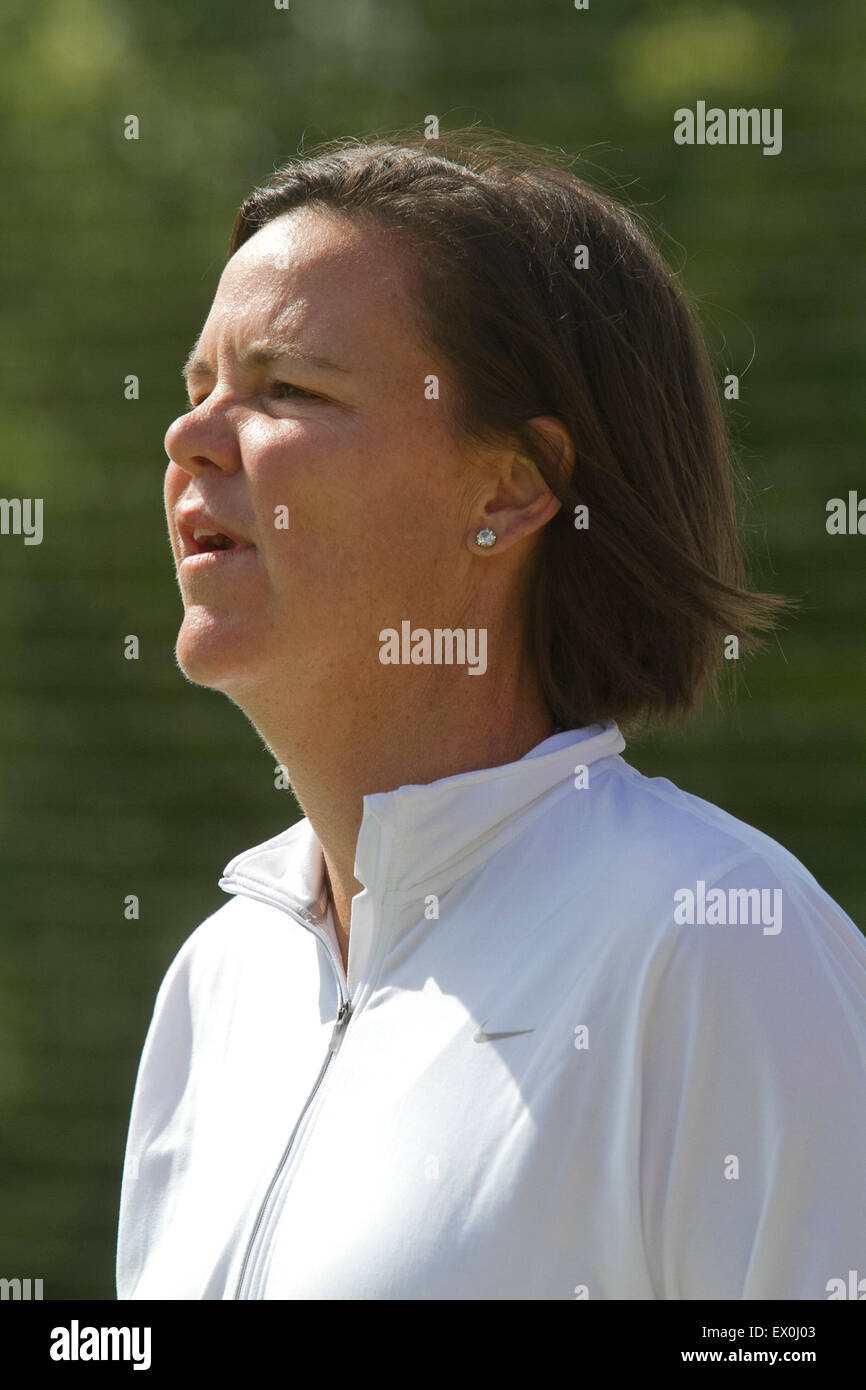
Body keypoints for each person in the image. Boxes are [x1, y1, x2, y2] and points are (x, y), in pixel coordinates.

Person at [115, 130, 866, 1300]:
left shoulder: (720, 942)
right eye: (198, 388)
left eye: (287, 389)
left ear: (509, 489)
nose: (190, 435)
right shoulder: (217, 985)